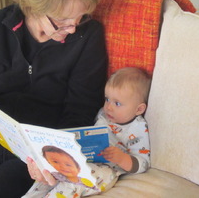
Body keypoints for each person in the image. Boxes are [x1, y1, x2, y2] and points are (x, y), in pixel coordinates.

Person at [0, 0, 107, 197]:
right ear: (33, 5)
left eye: (80, 17)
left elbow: (81, 109)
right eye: (62, 20)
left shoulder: (88, 36)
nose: (72, 28)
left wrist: (53, 158)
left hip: (33, 158)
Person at [25, 67, 151, 198]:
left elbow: (143, 163)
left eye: (117, 103)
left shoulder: (137, 127)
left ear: (139, 109)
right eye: (107, 99)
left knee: (73, 183)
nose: (108, 107)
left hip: (106, 171)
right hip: (81, 162)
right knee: (47, 175)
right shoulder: (103, 114)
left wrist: (122, 158)